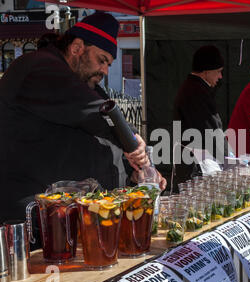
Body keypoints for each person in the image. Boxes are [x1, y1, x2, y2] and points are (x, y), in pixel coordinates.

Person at [0, 12, 166, 226]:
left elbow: (105, 131)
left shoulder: (85, 85)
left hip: (70, 213)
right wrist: (133, 139)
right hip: (33, 216)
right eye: (101, 60)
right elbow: (99, 115)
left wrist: (135, 172)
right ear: (76, 48)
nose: (105, 70)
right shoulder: (39, 67)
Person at [173, 45, 229, 187]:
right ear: (206, 71)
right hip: (196, 168)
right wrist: (228, 161)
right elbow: (211, 132)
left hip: (193, 164)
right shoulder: (196, 92)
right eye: (218, 72)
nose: (220, 76)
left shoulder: (193, 88)